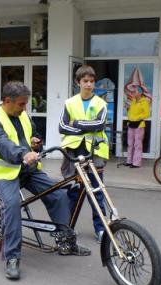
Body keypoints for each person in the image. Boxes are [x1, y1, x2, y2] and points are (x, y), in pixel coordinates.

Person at [0, 81, 90, 280]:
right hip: (4, 172)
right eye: (22, 104)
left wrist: (36, 142)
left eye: (25, 104)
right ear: (7, 101)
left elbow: (32, 133)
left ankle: (66, 242)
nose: (25, 108)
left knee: (58, 195)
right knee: (12, 206)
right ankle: (12, 257)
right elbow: (1, 144)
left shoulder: (21, 114)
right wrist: (23, 153)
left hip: (28, 168)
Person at [59, 65, 109, 243]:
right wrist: (86, 126)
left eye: (92, 81)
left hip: (94, 152)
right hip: (73, 151)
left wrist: (76, 123)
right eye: (85, 81)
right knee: (73, 191)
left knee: (96, 192)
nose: (89, 85)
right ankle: (68, 227)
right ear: (77, 82)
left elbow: (100, 125)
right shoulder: (69, 102)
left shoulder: (101, 103)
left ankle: (101, 229)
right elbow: (62, 127)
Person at [125, 86, 150, 168]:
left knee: (137, 145)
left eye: (134, 92)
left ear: (139, 93)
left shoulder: (144, 102)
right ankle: (129, 161)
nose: (132, 93)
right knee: (130, 144)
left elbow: (147, 114)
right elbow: (130, 112)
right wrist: (129, 117)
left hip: (139, 124)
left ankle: (136, 163)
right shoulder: (133, 101)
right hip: (131, 124)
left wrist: (137, 117)